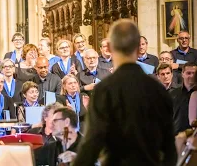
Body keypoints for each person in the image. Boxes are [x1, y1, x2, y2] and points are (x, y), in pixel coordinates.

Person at [73, 19, 177, 166]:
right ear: (138, 47)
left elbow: (92, 144)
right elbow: (169, 149)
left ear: (109, 47)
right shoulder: (158, 89)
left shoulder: (105, 89)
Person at [170, 62, 197, 135]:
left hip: (196, 138)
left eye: (194, 73)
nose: (192, 76)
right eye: (188, 73)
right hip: (176, 137)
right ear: (182, 74)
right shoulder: (172, 94)